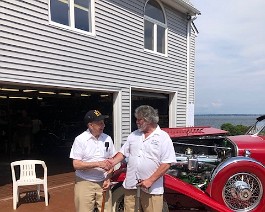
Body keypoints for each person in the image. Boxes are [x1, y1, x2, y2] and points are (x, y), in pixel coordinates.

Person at [109, 105, 176, 212]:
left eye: (139, 119)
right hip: (131, 186)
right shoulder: (133, 135)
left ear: (149, 120)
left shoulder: (163, 137)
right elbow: (122, 153)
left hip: (151, 189)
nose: (137, 122)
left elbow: (167, 163)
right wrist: (110, 163)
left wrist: (150, 180)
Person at [69, 109, 116, 212]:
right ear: (90, 125)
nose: (103, 126)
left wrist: (108, 177)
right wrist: (98, 164)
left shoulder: (107, 138)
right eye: (100, 123)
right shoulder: (80, 140)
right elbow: (76, 164)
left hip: (103, 182)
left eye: (103, 123)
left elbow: (112, 161)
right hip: (84, 182)